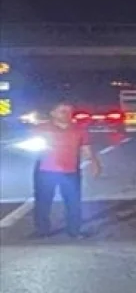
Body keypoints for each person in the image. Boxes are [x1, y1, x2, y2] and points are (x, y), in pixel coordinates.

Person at [30, 101, 101, 238]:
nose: (67, 114)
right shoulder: (41, 128)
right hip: (46, 170)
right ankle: (42, 230)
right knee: (43, 201)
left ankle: (74, 230)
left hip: (70, 171)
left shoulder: (78, 129)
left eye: (69, 111)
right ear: (53, 113)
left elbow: (86, 148)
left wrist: (94, 163)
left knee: (73, 202)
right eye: (62, 111)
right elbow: (33, 147)